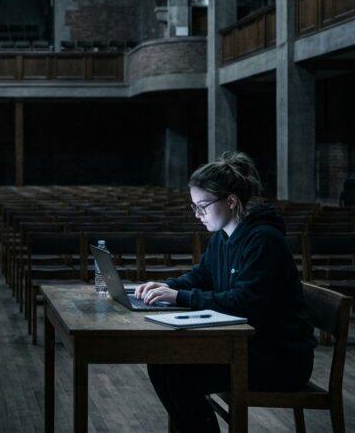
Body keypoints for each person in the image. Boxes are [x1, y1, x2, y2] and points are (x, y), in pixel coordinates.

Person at [134, 151, 317, 433]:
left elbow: (244, 303)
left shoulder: (264, 240)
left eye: (202, 206)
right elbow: (203, 274)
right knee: (162, 364)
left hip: (279, 358)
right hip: (248, 348)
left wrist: (179, 297)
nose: (197, 215)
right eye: (194, 207)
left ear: (231, 202)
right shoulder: (223, 236)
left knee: (177, 375)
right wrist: (167, 286)